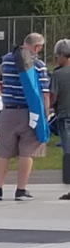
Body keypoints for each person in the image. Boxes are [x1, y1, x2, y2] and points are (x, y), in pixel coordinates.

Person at [0, 32, 50, 201]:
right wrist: (46, 114)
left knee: (4, 152)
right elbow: (44, 94)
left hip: (8, 110)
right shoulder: (38, 64)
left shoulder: (7, 59)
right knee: (27, 152)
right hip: (29, 112)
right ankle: (21, 190)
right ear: (37, 47)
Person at [50, 40, 70, 201]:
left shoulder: (57, 74)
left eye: (58, 55)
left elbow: (53, 97)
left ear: (63, 55)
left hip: (65, 116)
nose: (57, 58)